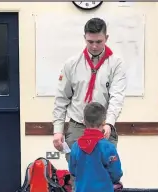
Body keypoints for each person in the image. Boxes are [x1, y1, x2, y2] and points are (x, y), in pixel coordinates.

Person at [52, 17, 126, 155]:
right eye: (90, 41)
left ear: (106, 38)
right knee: (77, 174)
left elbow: (117, 97)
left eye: (99, 41)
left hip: (103, 127)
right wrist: (58, 130)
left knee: (105, 173)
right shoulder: (71, 64)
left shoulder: (116, 64)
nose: (94, 46)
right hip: (77, 127)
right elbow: (61, 99)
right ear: (84, 38)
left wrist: (109, 123)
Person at [68, 102, 123, 192]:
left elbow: (73, 171)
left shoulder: (75, 147)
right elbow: (117, 173)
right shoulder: (108, 147)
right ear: (103, 123)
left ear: (83, 121)